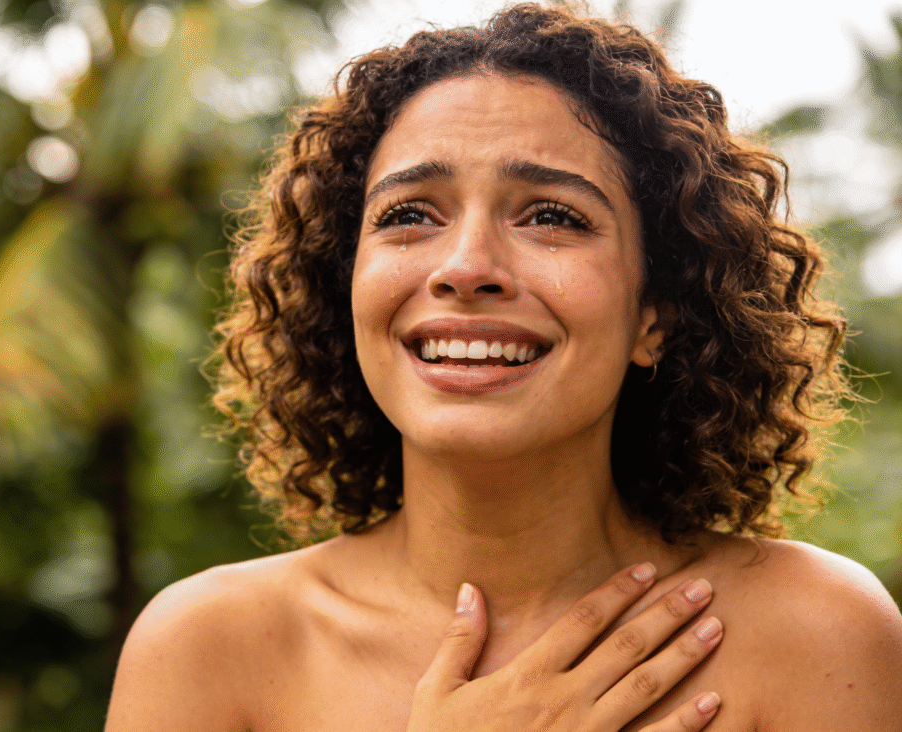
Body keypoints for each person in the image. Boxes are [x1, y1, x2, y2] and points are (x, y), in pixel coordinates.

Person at [106, 4, 902, 731]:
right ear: (342, 288)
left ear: (654, 316)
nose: (465, 266)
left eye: (553, 216)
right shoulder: (208, 649)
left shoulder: (817, 635)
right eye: (409, 215)